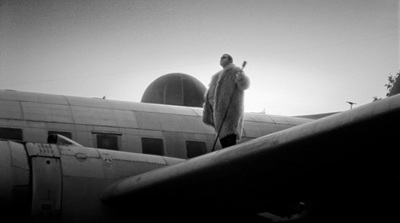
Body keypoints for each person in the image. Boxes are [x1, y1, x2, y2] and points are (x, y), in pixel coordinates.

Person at [203, 54, 250, 148]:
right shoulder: (217, 76)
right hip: (218, 113)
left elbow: (244, 85)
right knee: (223, 138)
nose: (221, 59)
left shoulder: (236, 71)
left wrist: (241, 77)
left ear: (230, 60)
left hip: (230, 112)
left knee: (229, 137)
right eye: (220, 57)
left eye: (224, 57)